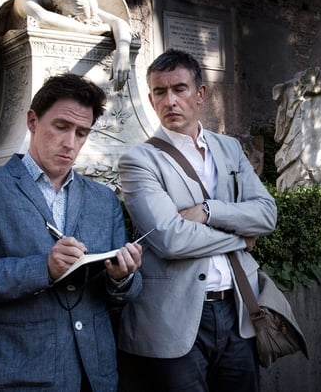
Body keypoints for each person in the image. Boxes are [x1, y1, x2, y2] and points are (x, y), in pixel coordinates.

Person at [0, 73, 143, 392]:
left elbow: (122, 295)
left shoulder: (104, 199)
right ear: (33, 121)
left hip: (96, 377)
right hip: (16, 377)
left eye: (81, 133)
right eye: (61, 127)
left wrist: (122, 277)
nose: (70, 143)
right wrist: (43, 269)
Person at [116, 49, 278, 392]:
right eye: (160, 92)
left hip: (239, 312)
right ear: (150, 98)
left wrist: (210, 211)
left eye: (180, 89)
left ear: (200, 93)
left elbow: (266, 214)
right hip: (173, 321)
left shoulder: (230, 149)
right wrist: (239, 237)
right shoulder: (139, 161)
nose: (170, 100)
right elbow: (171, 239)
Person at [10, 0, 132, 91]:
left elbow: (118, 22)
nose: (82, 22)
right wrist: (93, 29)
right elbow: (42, 18)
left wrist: (123, 49)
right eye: (75, 20)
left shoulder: (76, 5)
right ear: (57, 8)